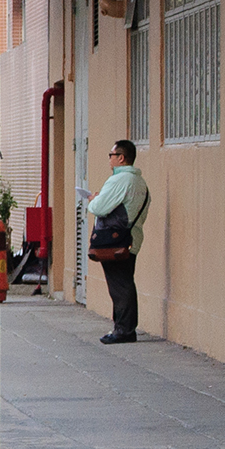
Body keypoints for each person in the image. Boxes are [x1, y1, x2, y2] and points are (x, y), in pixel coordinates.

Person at [85, 139, 151, 344]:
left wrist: (93, 200)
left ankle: (124, 330)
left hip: (114, 241)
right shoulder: (140, 182)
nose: (110, 159)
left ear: (121, 158)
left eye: (111, 155)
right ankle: (124, 327)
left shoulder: (119, 180)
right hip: (131, 238)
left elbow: (99, 208)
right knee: (125, 282)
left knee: (119, 286)